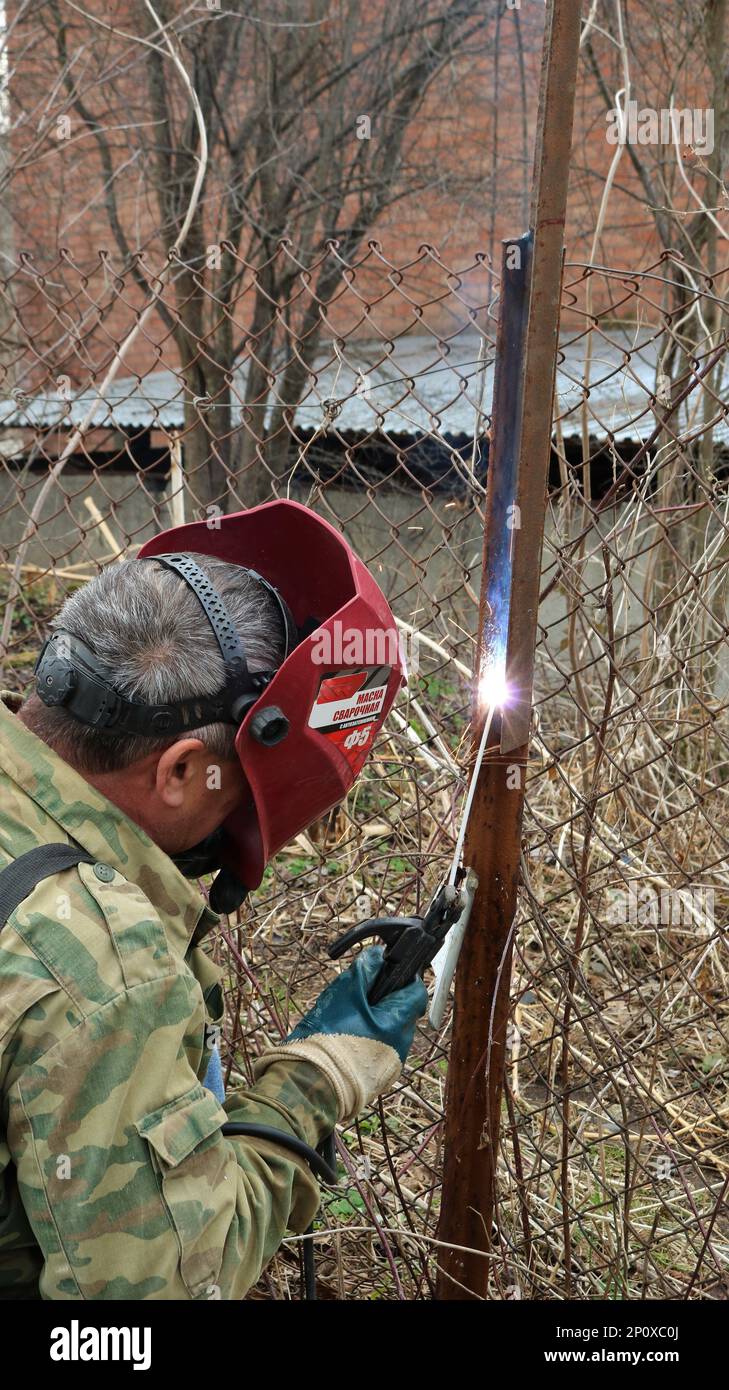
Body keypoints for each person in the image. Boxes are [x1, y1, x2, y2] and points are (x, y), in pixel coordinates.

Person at [0, 500, 427, 1300]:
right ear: (180, 771)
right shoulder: (101, 964)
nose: (237, 824)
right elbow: (154, 1301)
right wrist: (316, 1078)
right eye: (237, 796)